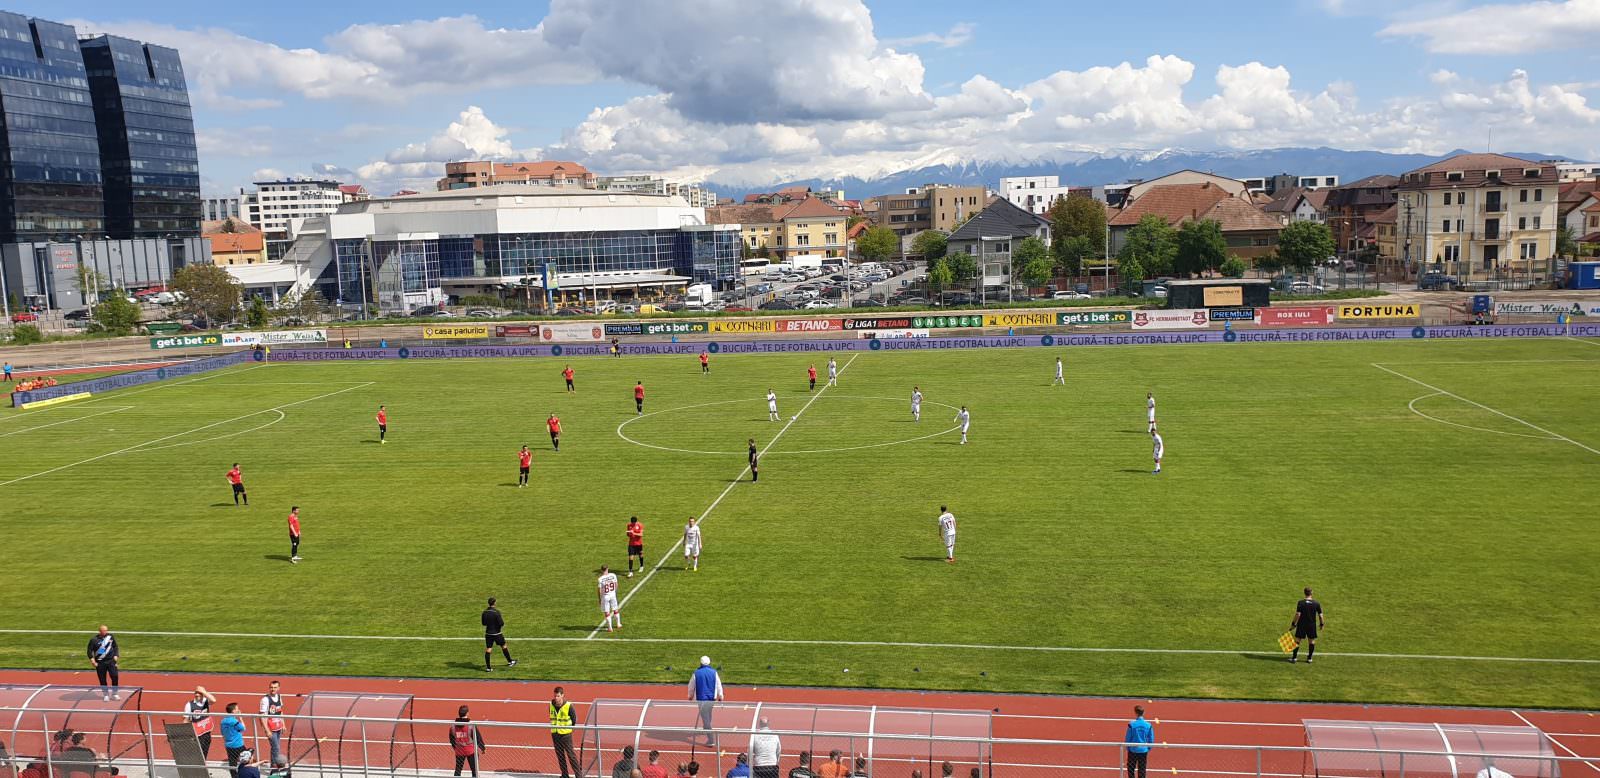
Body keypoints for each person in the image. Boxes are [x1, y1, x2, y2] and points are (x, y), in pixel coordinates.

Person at [689, 656, 723, 745]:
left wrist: (690, 695)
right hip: (711, 698)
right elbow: (718, 684)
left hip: (701, 699)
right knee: (708, 715)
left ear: (700, 663)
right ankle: (706, 728)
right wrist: (720, 695)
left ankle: (711, 739)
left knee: (705, 718)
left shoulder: (696, 673)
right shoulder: (714, 672)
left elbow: (691, 685)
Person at [548, 687, 581, 778]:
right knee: (560, 756)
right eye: (555, 696)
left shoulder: (569, 706)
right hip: (555, 734)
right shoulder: (551, 704)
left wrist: (568, 729)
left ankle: (578, 775)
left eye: (558, 696)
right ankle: (565, 775)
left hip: (566, 735)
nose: (556, 698)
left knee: (571, 756)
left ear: (562, 695)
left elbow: (574, 719)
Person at [1289, 587, 1325, 664]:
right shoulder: (1316, 603)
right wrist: (1322, 624)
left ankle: (1294, 658)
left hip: (1302, 624)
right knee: (1311, 641)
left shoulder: (1300, 602)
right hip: (1311, 625)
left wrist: (1293, 624)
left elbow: (1298, 614)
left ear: (1304, 593)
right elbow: (1321, 615)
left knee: (1297, 640)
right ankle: (1309, 658)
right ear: (1311, 593)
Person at [481, 597, 517, 671]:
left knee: (488, 649)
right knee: (503, 646)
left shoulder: (484, 612)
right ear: (494, 603)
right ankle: (510, 661)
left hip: (488, 633)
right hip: (497, 633)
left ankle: (488, 668)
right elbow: (501, 623)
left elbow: (483, 623)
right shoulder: (496, 612)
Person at [450, 705, 486, 778]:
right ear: (467, 713)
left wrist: (456, 748)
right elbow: (478, 738)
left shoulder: (453, 726)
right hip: (471, 751)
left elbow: (451, 739)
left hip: (459, 751)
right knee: (474, 770)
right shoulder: (471, 725)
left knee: (458, 770)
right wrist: (483, 748)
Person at [184, 686, 218, 759]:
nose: (197, 695)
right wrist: (184, 732)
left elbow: (214, 700)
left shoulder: (206, 701)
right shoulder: (189, 704)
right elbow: (186, 719)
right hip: (197, 734)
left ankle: (202, 768)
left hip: (206, 733)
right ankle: (196, 768)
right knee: (197, 754)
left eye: (199, 693)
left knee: (204, 753)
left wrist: (204, 691)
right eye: (196, 693)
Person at [88, 625, 120, 701]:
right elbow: (89, 651)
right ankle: (106, 695)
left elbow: (115, 646)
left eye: (106, 630)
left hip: (111, 661)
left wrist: (116, 655)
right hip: (100, 662)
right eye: (104, 630)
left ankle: (114, 694)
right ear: (100, 631)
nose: (106, 632)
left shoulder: (110, 637)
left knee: (114, 676)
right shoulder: (94, 640)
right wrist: (93, 661)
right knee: (102, 679)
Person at [259, 681, 286, 767]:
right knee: (276, 748)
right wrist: (267, 730)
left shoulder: (279, 697)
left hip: (278, 727)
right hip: (270, 729)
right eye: (271, 687)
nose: (272, 689)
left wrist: (283, 724)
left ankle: (273, 765)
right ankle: (275, 766)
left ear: (278, 688)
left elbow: (280, 711)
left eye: (275, 687)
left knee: (275, 747)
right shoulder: (265, 699)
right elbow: (262, 715)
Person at [1124, 705, 1153, 778]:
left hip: (1133, 750)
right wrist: (1148, 748)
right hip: (1143, 751)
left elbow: (1128, 738)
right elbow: (1151, 738)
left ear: (1135, 713)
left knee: (1131, 768)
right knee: (1142, 769)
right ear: (1143, 713)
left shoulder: (1131, 724)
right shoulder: (1148, 725)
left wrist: (1128, 748)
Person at [222, 703, 247, 777]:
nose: (238, 710)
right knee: (246, 758)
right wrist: (241, 718)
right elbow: (243, 728)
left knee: (232, 762)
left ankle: (234, 776)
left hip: (228, 745)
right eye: (237, 709)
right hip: (238, 745)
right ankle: (244, 774)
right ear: (233, 711)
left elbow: (223, 732)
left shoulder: (223, 721)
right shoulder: (234, 721)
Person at [597, 565, 621, 632]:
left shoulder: (600, 579)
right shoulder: (613, 575)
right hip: (613, 594)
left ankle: (610, 628)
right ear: (607, 569)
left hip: (605, 596)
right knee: (615, 609)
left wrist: (599, 599)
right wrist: (614, 592)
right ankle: (618, 624)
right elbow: (616, 584)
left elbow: (599, 590)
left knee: (607, 612)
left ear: (601, 570)